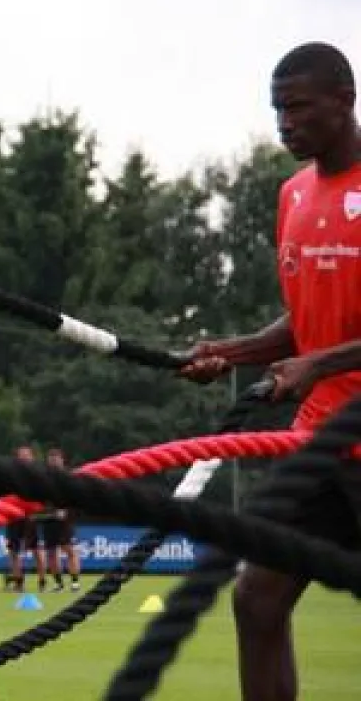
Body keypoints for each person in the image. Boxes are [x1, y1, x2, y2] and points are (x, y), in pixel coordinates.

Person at [180, 41, 361, 701]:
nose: (284, 124)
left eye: (298, 108)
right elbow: (303, 324)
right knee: (256, 599)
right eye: (276, 110)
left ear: (345, 100)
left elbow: (318, 349)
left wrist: (320, 363)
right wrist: (230, 351)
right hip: (319, 446)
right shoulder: (292, 195)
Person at [2, 445, 45, 593]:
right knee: (14, 551)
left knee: (35, 549)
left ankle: (42, 581)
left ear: (32, 457)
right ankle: (18, 582)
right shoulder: (11, 475)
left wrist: (36, 511)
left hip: (29, 516)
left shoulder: (37, 475)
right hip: (13, 515)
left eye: (27, 455)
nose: (24, 458)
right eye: (21, 455)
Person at [41, 448, 80, 592]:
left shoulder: (68, 476)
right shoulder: (43, 478)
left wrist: (66, 510)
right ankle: (59, 584)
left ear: (62, 461)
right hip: (48, 519)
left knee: (69, 549)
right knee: (51, 552)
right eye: (51, 460)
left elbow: (75, 496)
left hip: (64, 520)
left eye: (56, 459)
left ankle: (75, 582)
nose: (53, 462)